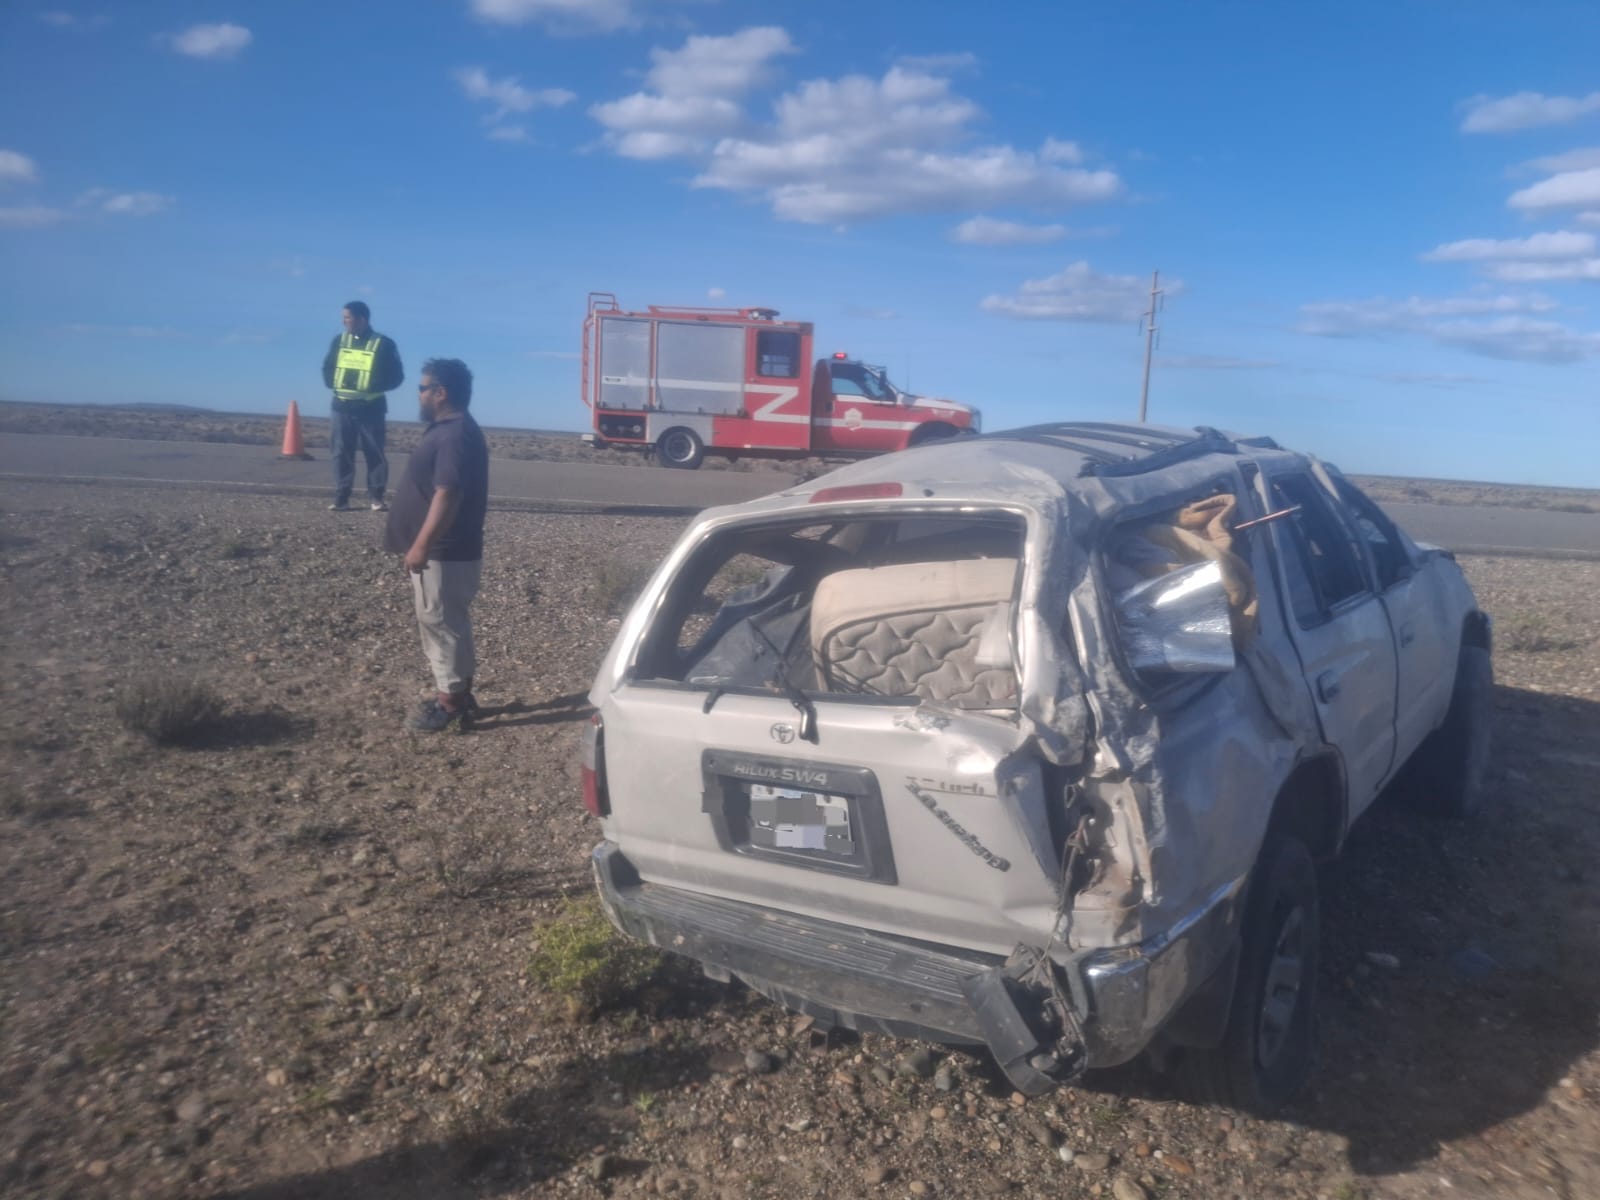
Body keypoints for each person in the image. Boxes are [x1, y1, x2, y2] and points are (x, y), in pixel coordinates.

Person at [384, 358, 489, 732]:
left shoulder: (454, 434)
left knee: (441, 624)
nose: (419, 393)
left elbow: (448, 493)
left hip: (444, 552)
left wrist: (421, 545)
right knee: (449, 624)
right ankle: (459, 693)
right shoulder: (450, 430)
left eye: (423, 387)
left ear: (440, 393)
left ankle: (450, 705)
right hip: (447, 550)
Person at [322, 300, 404, 511]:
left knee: (374, 452)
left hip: (371, 407)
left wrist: (374, 385)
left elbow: (397, 376)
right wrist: (332, 382)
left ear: (362, 319)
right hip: (341, 406)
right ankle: (342, 497)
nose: (344, 321)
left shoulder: (383, 343)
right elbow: (328, 367)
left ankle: (376, 497)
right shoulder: (338, 341)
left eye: (347, 317)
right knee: (341, 452)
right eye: (343, 317)